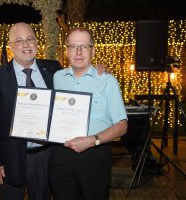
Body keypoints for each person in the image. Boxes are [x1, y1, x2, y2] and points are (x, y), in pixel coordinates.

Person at [0, 22, 62, 200]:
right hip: (9, 158)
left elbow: (76, 82)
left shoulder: (54, 69)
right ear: (10, 46)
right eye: (19, 41)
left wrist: (99, 71)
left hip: (44, 156)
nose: (25, 45)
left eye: (30, 39)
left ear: (37, 43)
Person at [49, 27, 128, 200]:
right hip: (60, 155)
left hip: (94, 155)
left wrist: (93, 140)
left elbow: (122, 126)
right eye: (73, 46)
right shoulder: (57, 77)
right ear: (66, 50)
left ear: (92, 50)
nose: (78, 51)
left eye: (84, 46)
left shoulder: (107, 81)